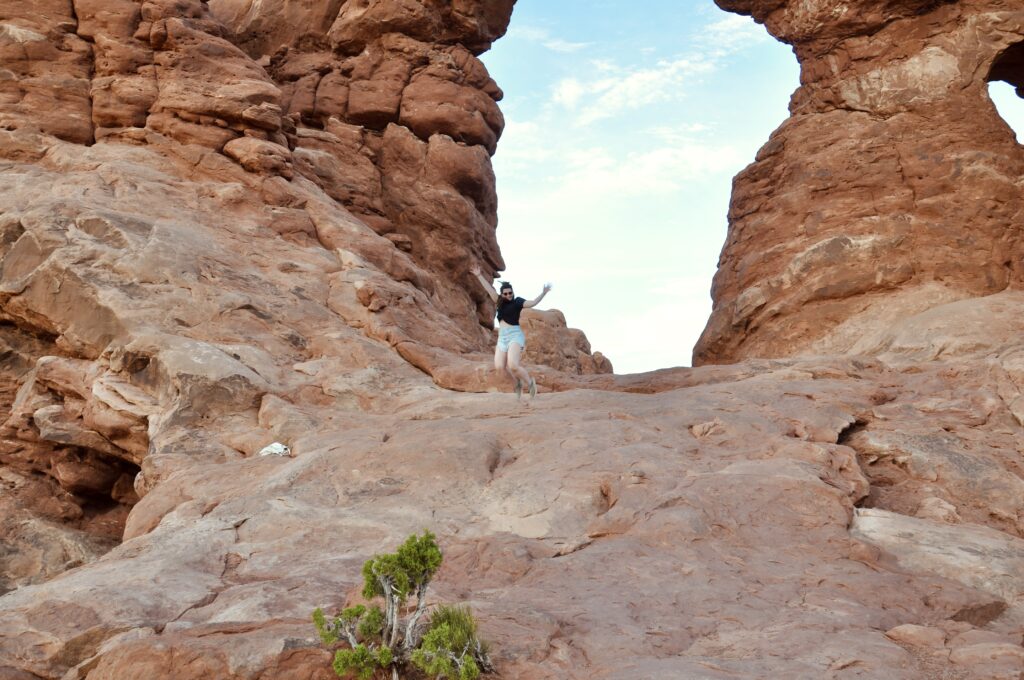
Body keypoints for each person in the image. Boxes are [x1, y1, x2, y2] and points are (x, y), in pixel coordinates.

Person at [470, 265, 551, 399]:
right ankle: (517, 381)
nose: (508, 295)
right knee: (499, 367)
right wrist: (478, 275)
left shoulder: (518, 302)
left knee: (513, 365)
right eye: (506, 293)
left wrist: (543, 293)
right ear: (502, 294)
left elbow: (532, 303)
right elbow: (488, 289)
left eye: (510, 293)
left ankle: (530, 383)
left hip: (515, 335)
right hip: (502, 337)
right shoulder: (499, 302)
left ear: (512, 292)